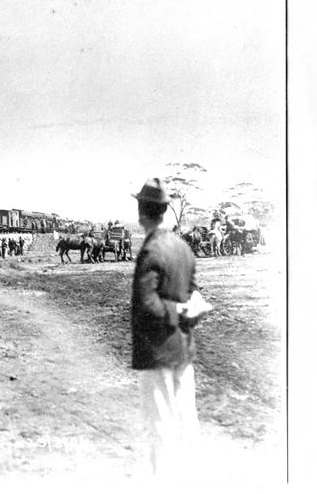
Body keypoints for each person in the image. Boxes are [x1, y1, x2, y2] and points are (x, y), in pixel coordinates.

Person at [130, 178, 210, 477]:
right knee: (187, 423)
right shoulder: (183, 248)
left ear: (142, 213)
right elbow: (194, 293)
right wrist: (192, 308)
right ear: (164, 212)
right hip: (184, 350)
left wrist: (177, 309)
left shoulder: (151, 251)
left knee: (161, 427)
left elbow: (147, 304)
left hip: (158, 351)